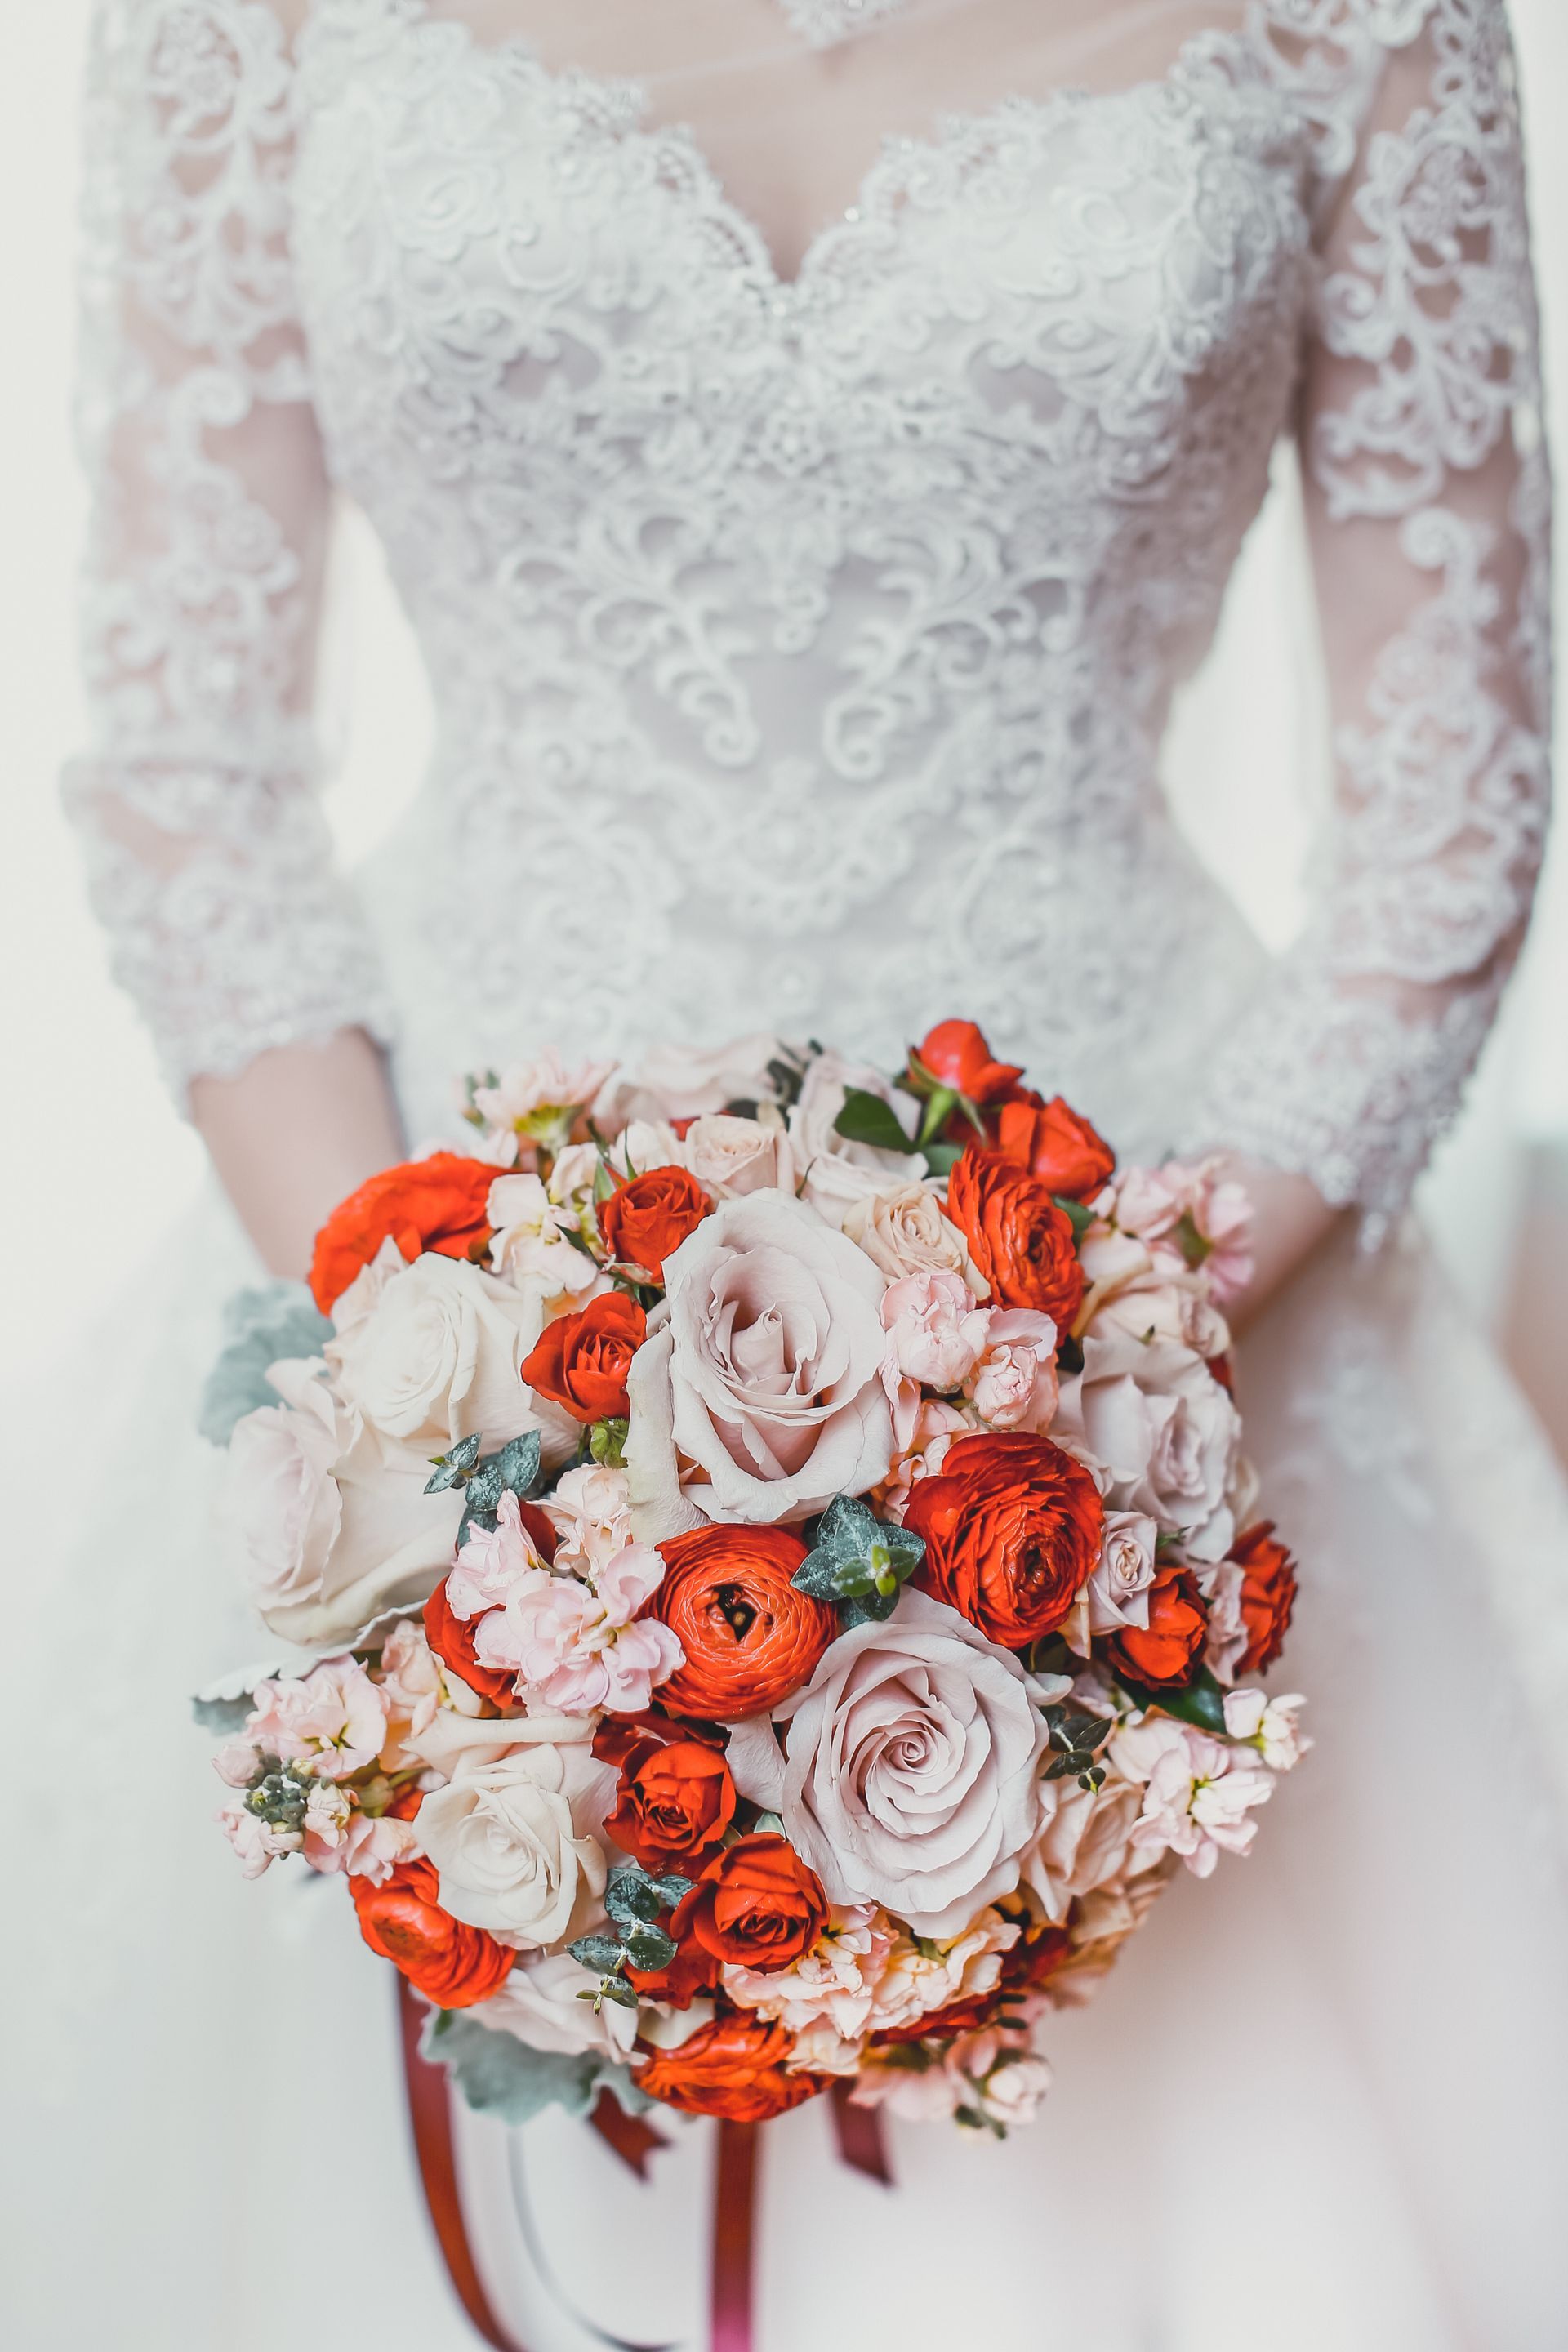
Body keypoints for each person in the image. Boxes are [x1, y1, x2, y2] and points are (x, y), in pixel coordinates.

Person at [15, 2, 1568, 2345]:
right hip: (437, 1310)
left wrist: (1064, 1402)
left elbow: (1448, 823)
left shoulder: (1372, 27)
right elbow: (186, 782)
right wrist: (453, 1432)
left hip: (1157, 1322)